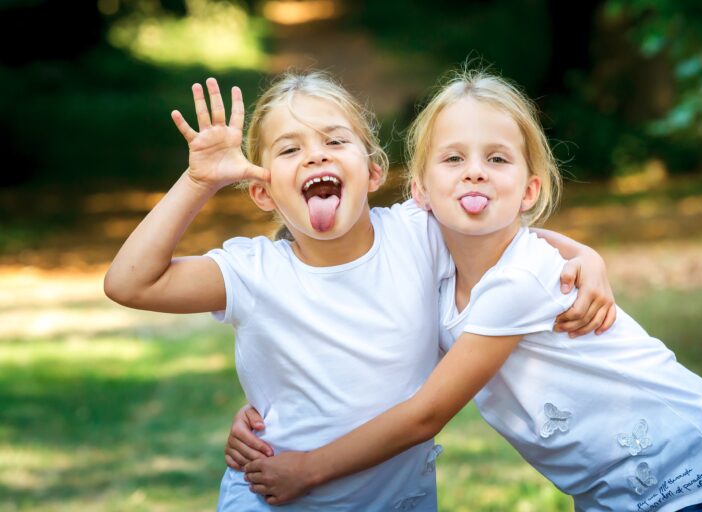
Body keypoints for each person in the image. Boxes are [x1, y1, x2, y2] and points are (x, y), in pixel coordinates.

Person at [237, 70, 702, 512]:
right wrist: (278, 417)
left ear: (529, 190)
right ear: (420, 190)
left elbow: (427, 415)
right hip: (610, 490)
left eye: (497, 159)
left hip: (684, 472)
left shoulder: (521, 280)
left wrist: (309, 469)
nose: (475, 171)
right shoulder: (437, 280)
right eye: (454, 158)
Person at [103, 71, 614, 511]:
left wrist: (584, 257)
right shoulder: (251, 272)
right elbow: (129, 282)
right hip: (274, 496)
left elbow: (498, 226)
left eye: (334, 141)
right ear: (262, 191)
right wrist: (198, 181)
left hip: (398, 499)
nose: (314, 156)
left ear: (372, 172)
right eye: (289, 149)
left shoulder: (417, 233)